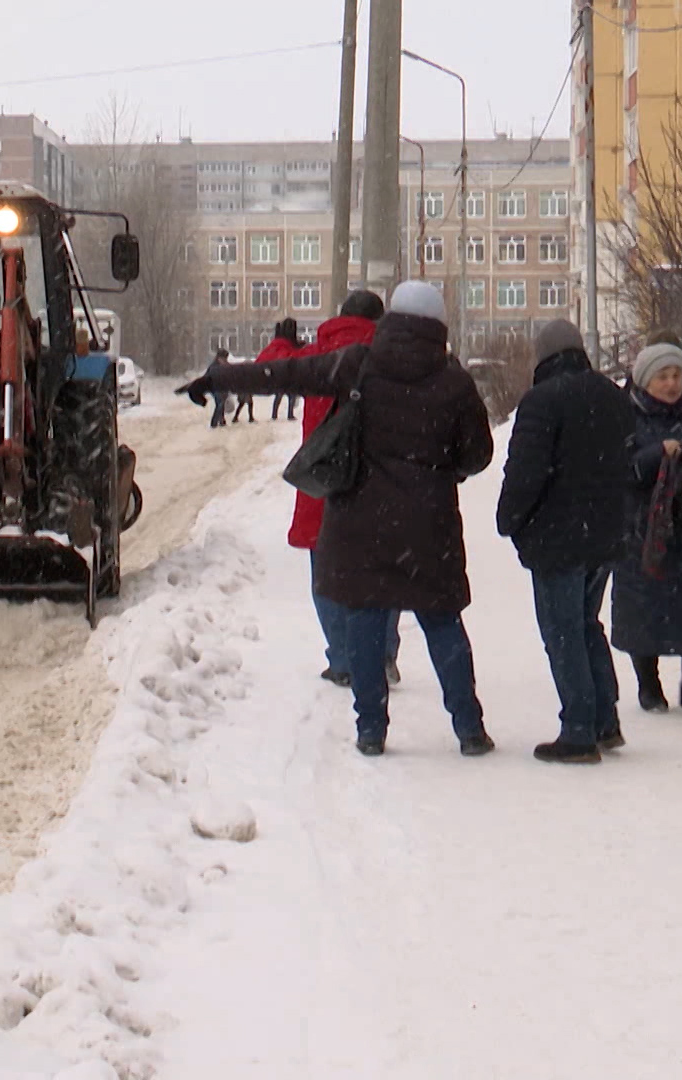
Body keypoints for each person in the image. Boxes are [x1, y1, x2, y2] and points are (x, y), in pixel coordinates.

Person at [181, 281, 495, 757]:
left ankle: (371, 730)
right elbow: (478, 455)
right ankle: (469, 729)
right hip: (429, 527)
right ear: (439, 325)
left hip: (360, 520)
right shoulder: (454, 381)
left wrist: (220, 378)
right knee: (443, 623)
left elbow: (286, 375)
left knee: (366, 623)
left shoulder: (358, 364)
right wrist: (441, 469)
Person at [496, 320, 637, 764]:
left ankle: (578, 729)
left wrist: (509, 520)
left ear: (543, 356)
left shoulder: (541, 401)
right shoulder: (614, 397)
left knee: (563, 633)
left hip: (558, 539)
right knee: (586, 624)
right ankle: (605, 720)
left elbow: (526, 471)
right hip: (605, 536)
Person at [279, 296, 401, 689]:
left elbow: (271, 366)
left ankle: (345, 658)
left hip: (324, 483)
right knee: (384, 573)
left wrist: (284, 343)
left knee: (327, 576)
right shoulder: (388, 356)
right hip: (379, 485)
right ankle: (381, 655)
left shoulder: (318, 354)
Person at [610, 342, 682, 717]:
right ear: (646, 380)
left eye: (677, 375)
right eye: (663, 376)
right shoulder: (624, 418)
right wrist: (655, 456)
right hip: (642, 530)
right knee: (642, 605)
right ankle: (649, 685)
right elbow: (617, 469)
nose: (672, 383)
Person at [260, 320, 302, 423]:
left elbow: (260, 366)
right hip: (289, 379)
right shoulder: (292, 349)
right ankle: (289, 414)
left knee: (280, 397)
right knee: (290, 397)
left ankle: (275, 414)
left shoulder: (272, 348)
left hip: (279, 379)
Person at [205, 349, 231, 429]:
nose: (225, 360)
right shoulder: (213, 367)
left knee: (221, 404)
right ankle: (214, 423)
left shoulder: (226, 365)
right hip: (215, 388)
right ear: (219, 358)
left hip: (223, 388)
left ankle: (222, 420)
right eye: (223, 358)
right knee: (219, 404)